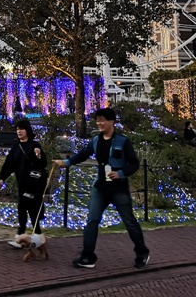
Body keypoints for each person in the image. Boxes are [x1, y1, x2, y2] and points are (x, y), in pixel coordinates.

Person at [53, 107, 150, 269]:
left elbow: (134, 163)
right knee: (92, 220)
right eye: (97, 120)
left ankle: (142, 253)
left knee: (129, 222)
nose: (99, 123)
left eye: (103, 120)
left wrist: (121, 173)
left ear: (112, 122)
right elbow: (83, 154)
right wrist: (66, 163)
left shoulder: (123, 141)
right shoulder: (96, 140)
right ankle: (88, 256)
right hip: (101, 187)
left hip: (118, 188)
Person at [0, 118, 48, 248]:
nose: (19, 131)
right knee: (30, 210)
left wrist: (39, 155)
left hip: (34, 183)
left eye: (21, 129)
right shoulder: (16, 147)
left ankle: (21, 237)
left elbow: (43, 164)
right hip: (22, 183)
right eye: (17, 129)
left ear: (27, 130)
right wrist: (2, 177)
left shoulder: (35, 145)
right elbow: (9, 164)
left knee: (23, 207)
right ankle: (38, 236)